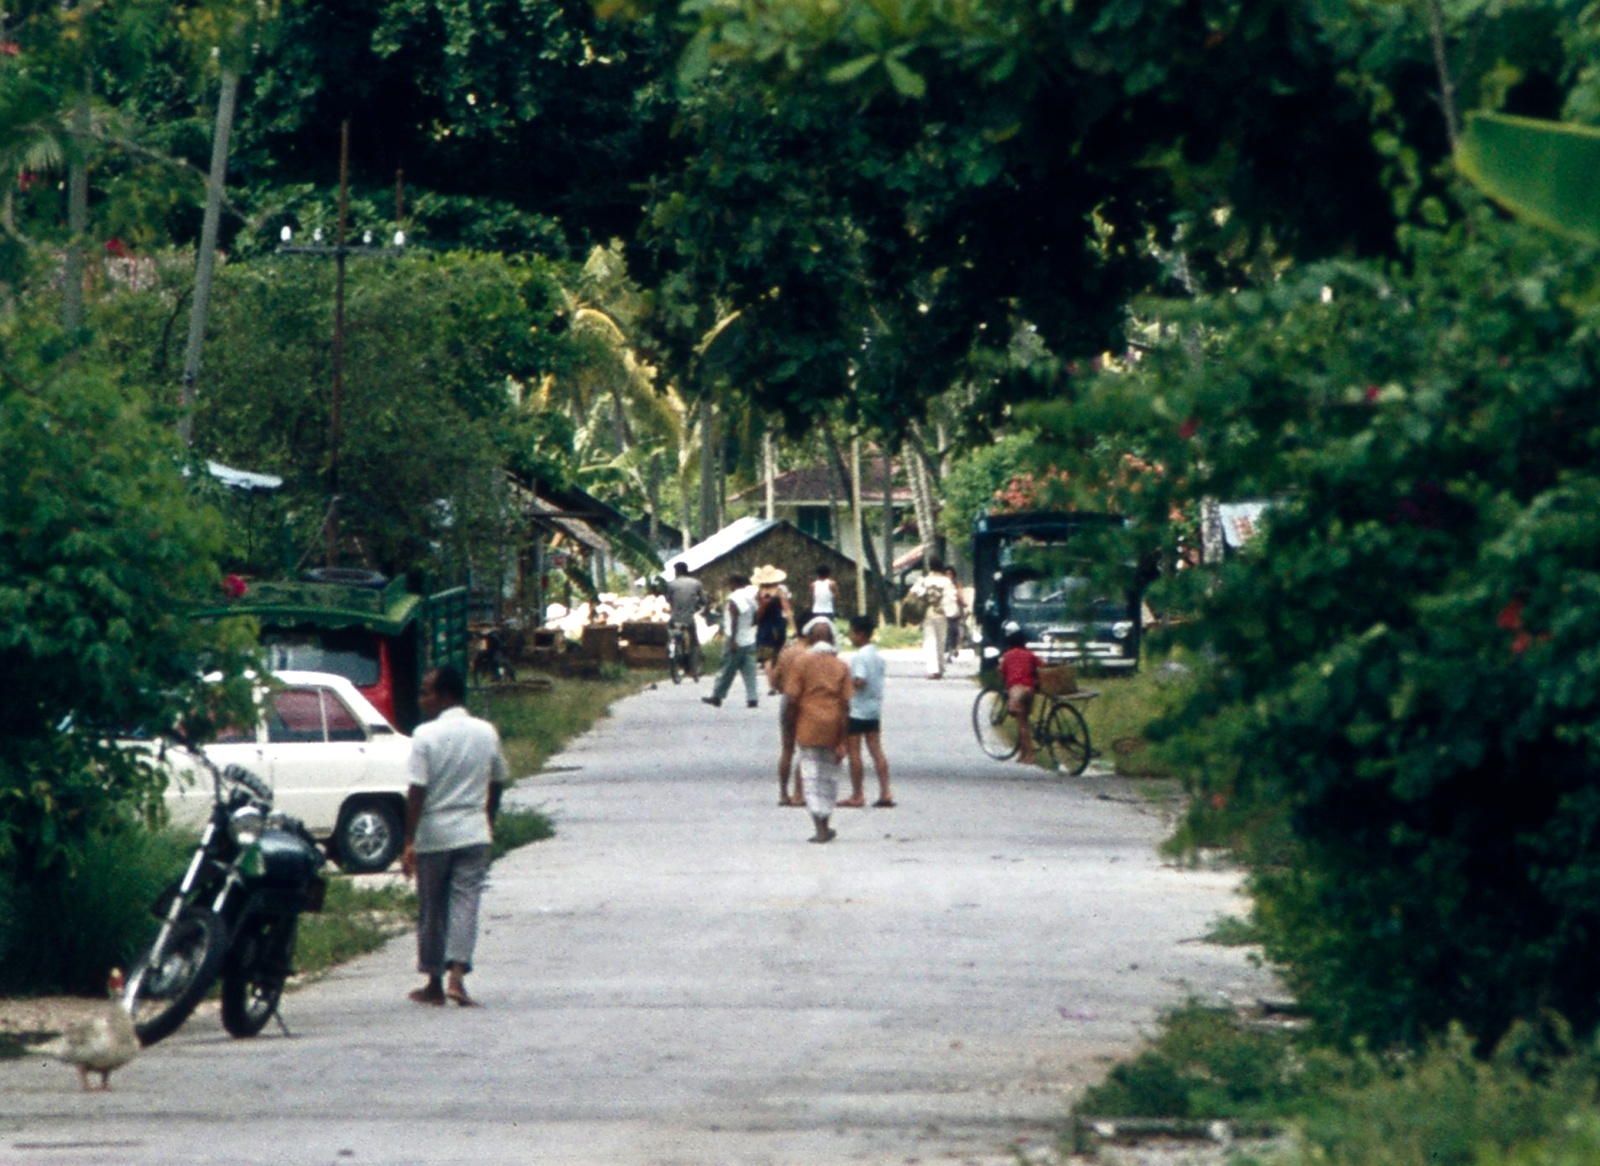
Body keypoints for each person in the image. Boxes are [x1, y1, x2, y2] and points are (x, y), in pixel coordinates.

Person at [402, 665, 509, 1007]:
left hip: (435, 834)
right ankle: (457, 978)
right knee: (466, 902)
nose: (422, 699)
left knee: (432, 907)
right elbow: (498, 779)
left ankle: (433, 982)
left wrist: (408, 841)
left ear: (445, 695)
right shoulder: (486, 732)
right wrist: (487, 818)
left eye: (427, 692)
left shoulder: (424, 736)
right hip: (474, 831)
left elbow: (416, 791)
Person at [783, 616, 852, 843]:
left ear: (811, 639)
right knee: (830, 777)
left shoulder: (801, 663)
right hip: (834, 727)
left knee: (811, 776)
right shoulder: (841, 666)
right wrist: (844, 739)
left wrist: (790, 726)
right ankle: (827, 821)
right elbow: (846, 705)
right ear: (832, 639)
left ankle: (819, 826)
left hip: (808, 726)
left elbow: (791, 699)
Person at [844, 614, 893, 808]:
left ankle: (858, 794)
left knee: (854, 752)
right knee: (876, 750)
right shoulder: (877, 655)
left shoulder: (859, 657)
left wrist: (846, 687)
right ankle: (885, 791)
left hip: (857, 709)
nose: (850, 636)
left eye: (852, 633)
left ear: (860, 634)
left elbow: (860, 680)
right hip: (874, 709)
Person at [704, 573, 761, 708]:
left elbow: (734, 618)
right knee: (749, 669)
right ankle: (752, 698)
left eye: (730, 584)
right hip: (750, 637)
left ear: (735, 584)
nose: (729, 587)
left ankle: (717, 696)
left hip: (736, 638)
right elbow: (756, 616)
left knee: (727, 669)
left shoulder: (735, 597)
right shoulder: (751, 597)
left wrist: (733, 639)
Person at [766, 635, 809, 805]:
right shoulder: (812, 654)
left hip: (787, 700)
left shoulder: (786, 652)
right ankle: (799, 793)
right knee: (806, 748)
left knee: (787, 749)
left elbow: (774, 683)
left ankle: (783, 793)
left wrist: (769, 668)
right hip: (806, 701)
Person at [998, 624, 1042, 766]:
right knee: (1025, 719)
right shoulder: (1029, 654)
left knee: (1021, 723)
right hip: (1030, 689)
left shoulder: (1007, 655)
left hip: (1017, 689)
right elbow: (1042, 665)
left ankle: (1030, 755)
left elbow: (1001, 671)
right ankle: (1023, 754)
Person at [911, 560, 955, 679]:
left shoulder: (924, 580)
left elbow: (913, 593)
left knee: (930, 642)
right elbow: (951, 598)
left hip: (927, 613)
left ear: (930, 567)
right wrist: (951, 612)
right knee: (941, 642)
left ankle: (932, 669)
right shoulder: (946, 581)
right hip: (941, 614)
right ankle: (940, 668)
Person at [664, 562, 706, 680]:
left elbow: (669, 600)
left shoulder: (671, 585)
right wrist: (696, 607)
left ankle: (676, 661)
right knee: (694, 641)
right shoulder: (696, 583)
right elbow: (703, 600)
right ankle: (694, 668)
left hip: (675, 617)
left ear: (676, 571)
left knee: (671, 637)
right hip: (689, 617)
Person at [752, 564, 792, 677]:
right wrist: (793, 627)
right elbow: (787, 610)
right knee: (778, 654)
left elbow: (757, 610)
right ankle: (779, 680)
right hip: (779, 625)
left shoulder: (759, 593)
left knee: (767, 658)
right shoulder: (779, 592)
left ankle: (771, 685)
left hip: (764, 627)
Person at [943, 565, 966, 663]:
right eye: (946, 574)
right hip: (944, 612)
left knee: (955, 632)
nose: (948, 576)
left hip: (955, 612)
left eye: (950, 574)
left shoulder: (957, 584)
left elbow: (960, 596)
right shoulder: (942, 584)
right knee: (946, 633)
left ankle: (953, 649)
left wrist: (962, 603)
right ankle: (947, 652)